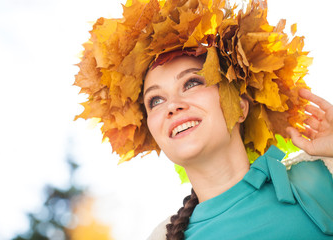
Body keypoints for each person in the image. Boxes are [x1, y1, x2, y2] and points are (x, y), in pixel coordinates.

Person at [74, 0, 333, 239]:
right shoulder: (162, 237)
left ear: (240, 107)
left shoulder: (319, 176)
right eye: (155, 100)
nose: (172, 106)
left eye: (192, 82)